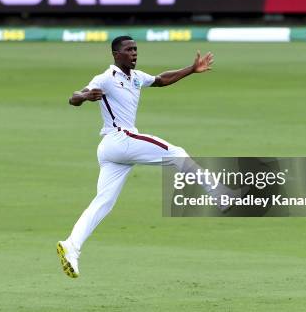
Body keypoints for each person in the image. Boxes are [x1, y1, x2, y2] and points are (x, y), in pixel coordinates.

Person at [57, 36, 227, 278]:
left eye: (136, 49)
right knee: (176, 153)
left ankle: (71, 246)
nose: (134, 53)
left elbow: (160, 80)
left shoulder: (135, 78)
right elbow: (74, 97)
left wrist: (191, 69)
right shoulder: (106, 78)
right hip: (121, 139)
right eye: (129, 50)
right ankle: (218, 193)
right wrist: (84, 97)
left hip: (114, 151)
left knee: (103, 202)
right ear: (116, 55)